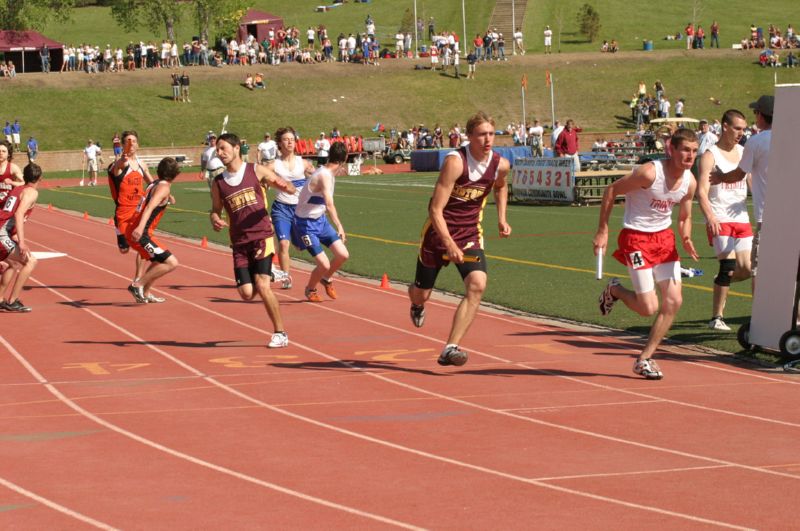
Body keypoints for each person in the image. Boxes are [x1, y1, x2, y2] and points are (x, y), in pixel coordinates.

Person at [593, 128, 700, 380]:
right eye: (685, 149)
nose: (690, 156)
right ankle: (615, 289)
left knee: (674, 301)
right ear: (670, 149)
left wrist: (686, 236)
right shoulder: (649, 173)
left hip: (664, 239)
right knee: (648, 308)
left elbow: (685, 216)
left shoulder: (689, 182)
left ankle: (644, 359)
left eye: (694, 151)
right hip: (637, 238)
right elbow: (611, 191)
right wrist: (602, 231)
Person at [408, 111, 512, 367]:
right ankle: (416, 304)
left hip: (469, 233)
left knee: (477, 284)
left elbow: (501, 186)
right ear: (469, 137)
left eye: (491, 134)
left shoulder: (500, 164)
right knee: (422, 293)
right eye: (481, 135)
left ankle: (450, 347)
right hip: (437, 234)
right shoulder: (456, 162)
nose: (487, 140)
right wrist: (449, 244)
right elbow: (435, 209)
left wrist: (502, 218)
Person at [209, 133, 296, 348]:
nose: (220, 153)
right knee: (247, 294)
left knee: (262, 285)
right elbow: (215, 210)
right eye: (217, 150)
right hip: (239, 242)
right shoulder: (218, 183)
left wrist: (285, 187)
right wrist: (215, 220)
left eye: (223, 148)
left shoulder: (255, 170)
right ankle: (269, 272)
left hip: (261, 237)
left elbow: (285, 185)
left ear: (237, 148)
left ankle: (280, 333)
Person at [696, 109, 752, 331]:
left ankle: (722, 279)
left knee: (747, 269)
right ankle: (716, 317)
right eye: (737, 128)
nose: (741, 133)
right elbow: (701, 191)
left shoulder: (743, 152)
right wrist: (709, 216)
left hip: (741, 216)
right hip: (720, 216)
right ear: (725, 127)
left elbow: (751, 181)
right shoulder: (711, 154)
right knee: (728, 265)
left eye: (743, 129)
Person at [710, 95, 773, 292]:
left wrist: (721, 177)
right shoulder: (792, 135)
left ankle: (759, 320)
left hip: (766, 216)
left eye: (756, 112)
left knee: (757, 270)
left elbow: (739, 174)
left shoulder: (755, 142)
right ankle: (795, 317)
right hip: (791, 215)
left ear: (761, 116)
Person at [290, 139, 349, 303]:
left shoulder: (328, 174)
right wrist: (339, 226)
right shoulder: (324, 176)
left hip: (320, 221)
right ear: (344, 160)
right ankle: (310, 289)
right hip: (305, 225)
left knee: (343, 255)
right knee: (324, 264)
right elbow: (330, 205)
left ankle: (326, 279)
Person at [125, 157, 181, 304]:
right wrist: (140, 228)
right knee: (171, 263)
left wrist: (168, 197)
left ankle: (146, 292)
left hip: (138, 229)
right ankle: (137, 285)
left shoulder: (156, 184)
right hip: (141, 232)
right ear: (176, 175)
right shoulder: (163, 188)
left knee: (158, 260)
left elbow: (153, 187)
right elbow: (150, 207)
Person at [108, 130, 153, 285]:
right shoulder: (120, 163)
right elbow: (118, 166)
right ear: (123, 144)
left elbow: (152, 184)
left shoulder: (142, 164)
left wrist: (165, 193)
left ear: (138, 144)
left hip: (139, 212)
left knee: (144, 243)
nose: (131, 143)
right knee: (124, 250)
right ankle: (119, 232)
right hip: (123, 212)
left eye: (133, 141)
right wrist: (122, 157)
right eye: (128, 141)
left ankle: (138, 279)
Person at [0, 163, 42, 312]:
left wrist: (16, 236)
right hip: (1, 233)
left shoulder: (18, 189)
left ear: (24, 177)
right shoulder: (31, 192)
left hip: (4, 231)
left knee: (13, 264)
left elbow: (7, 212)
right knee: (30, 261)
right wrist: (22, 243)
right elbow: (18, 214)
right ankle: (12, 301)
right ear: (40, 179)